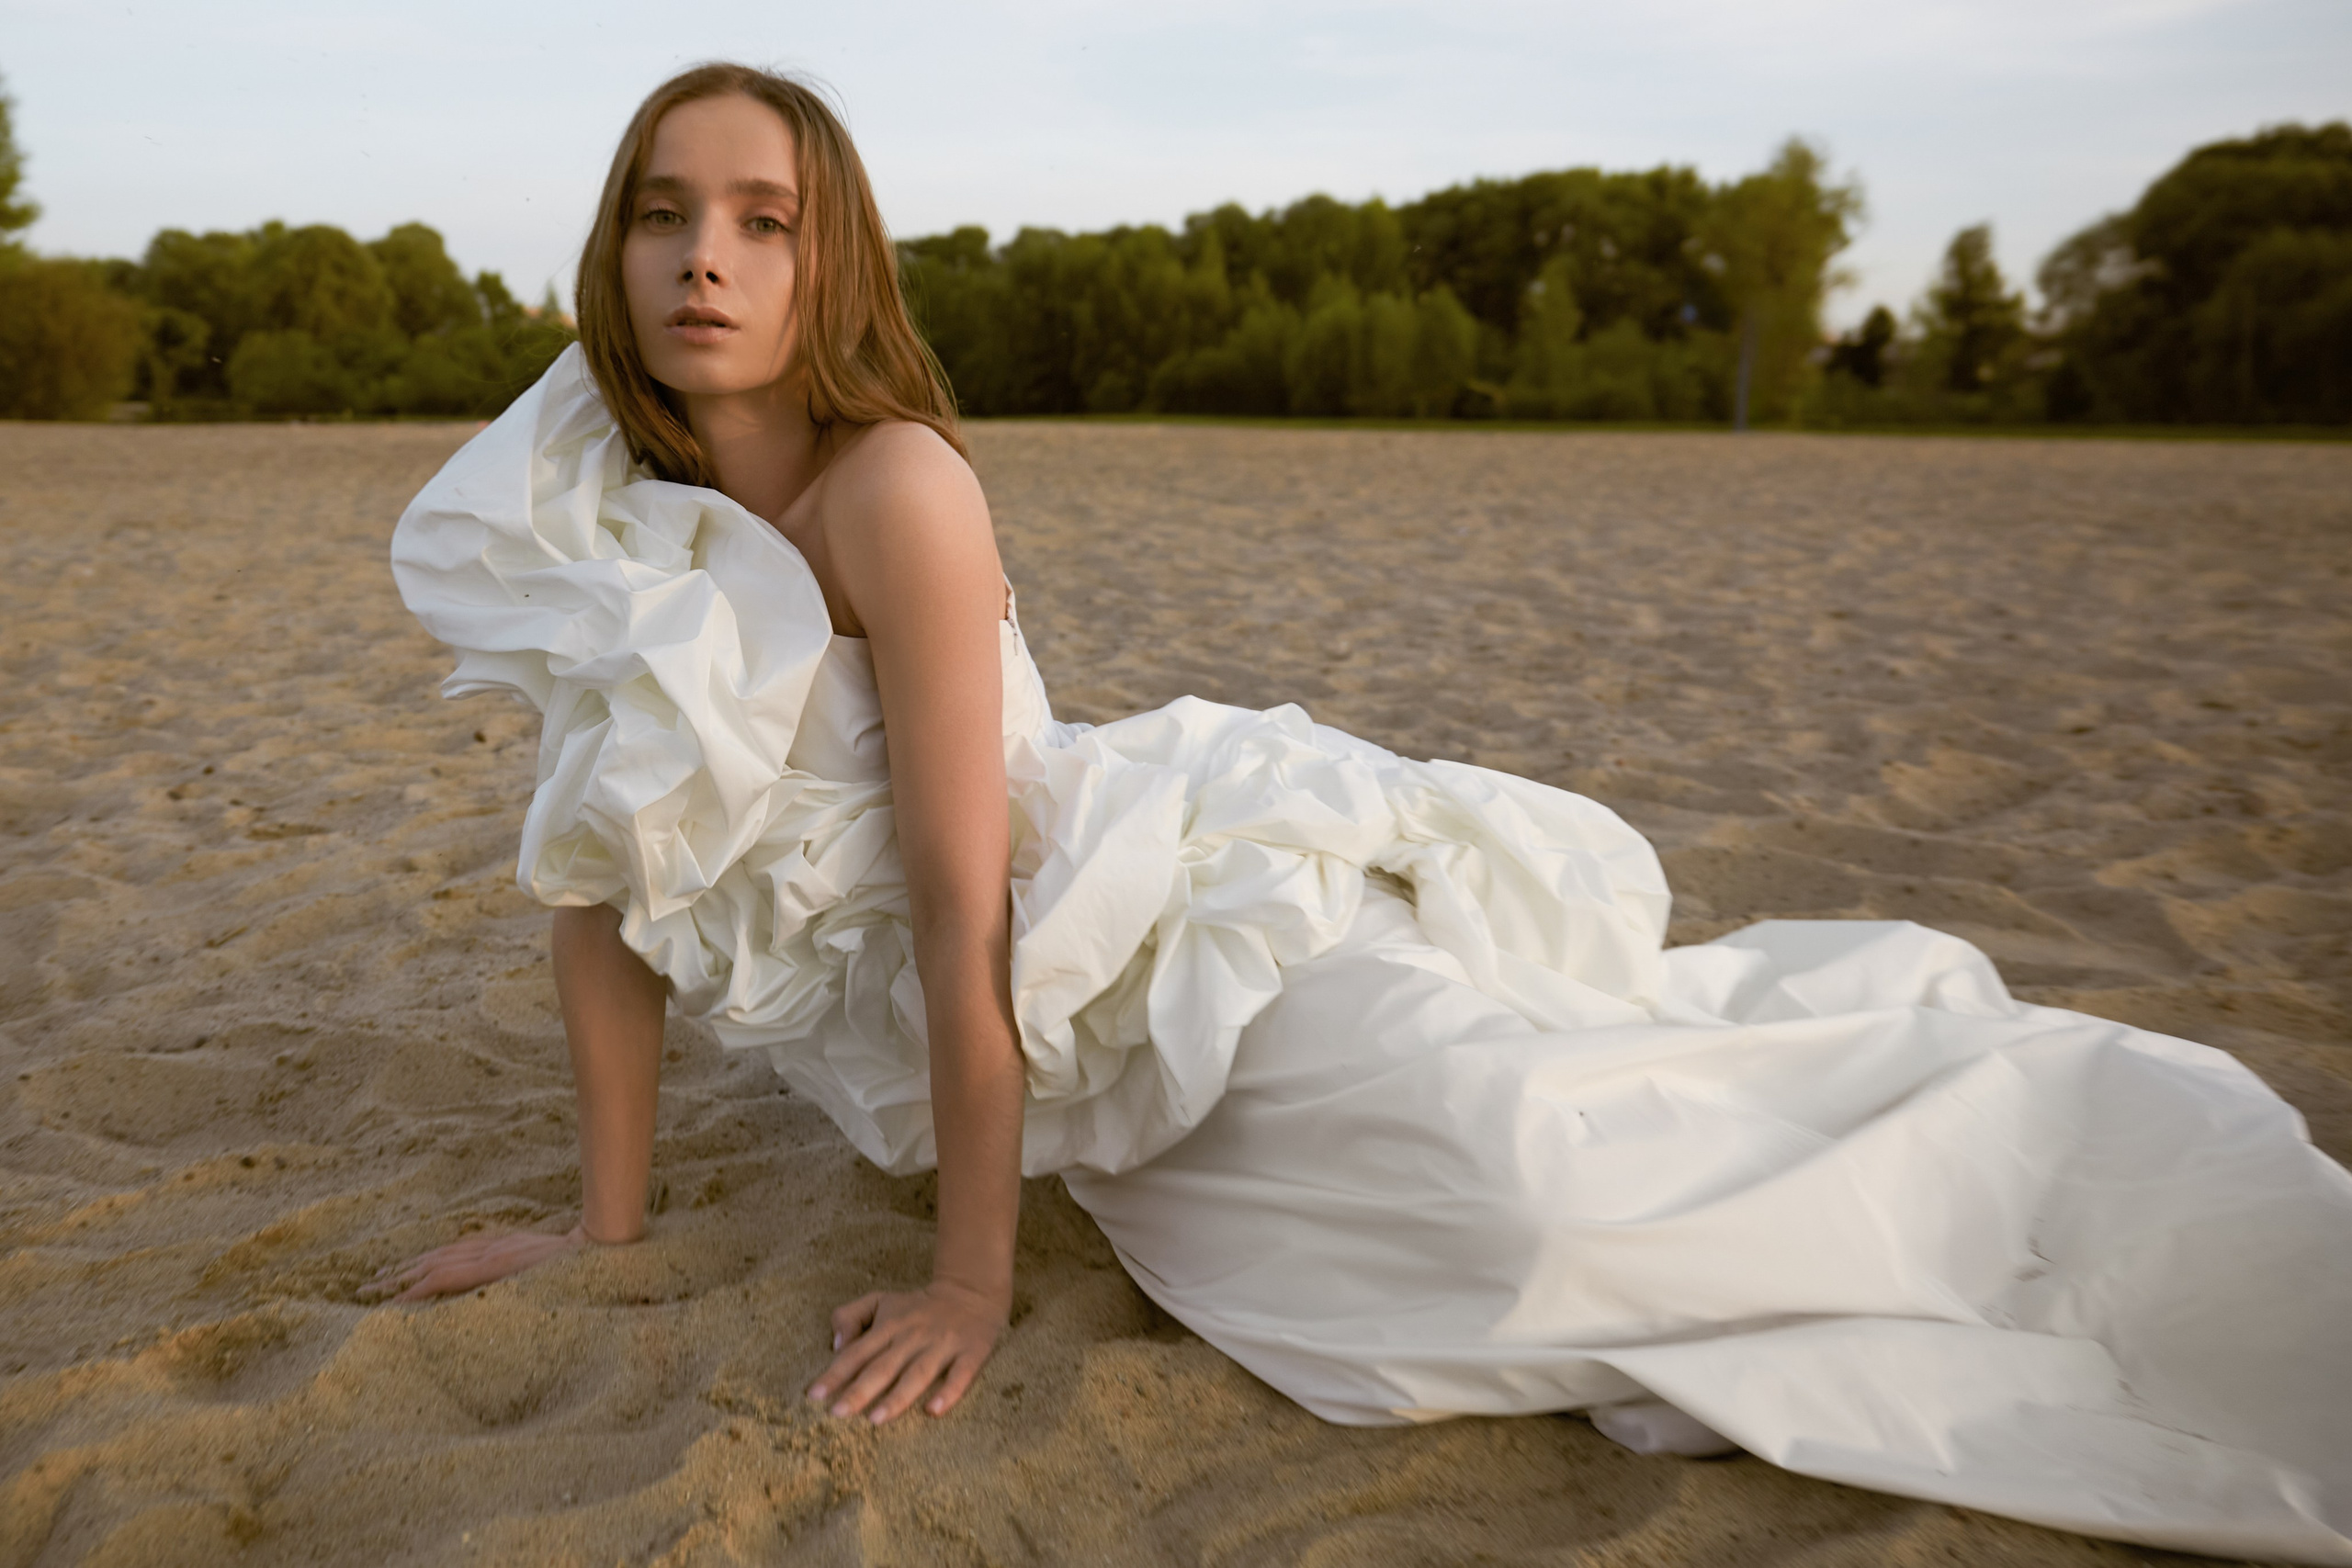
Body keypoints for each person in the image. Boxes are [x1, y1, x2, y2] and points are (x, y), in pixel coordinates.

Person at [383, 63, 2352, 1563]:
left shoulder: (896, 487)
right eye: (662, 213)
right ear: (612, 248)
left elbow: (960, 905)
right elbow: (598, 882)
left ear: (836, 262)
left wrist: (975, 1278)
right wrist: (601, 1222)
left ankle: (2055, 1194)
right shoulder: (597, 521)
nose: (704, 256)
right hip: (1070, 1078)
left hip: (1161, 938)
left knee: (1536, 1167)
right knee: (1413, 1270)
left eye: (763, 219)